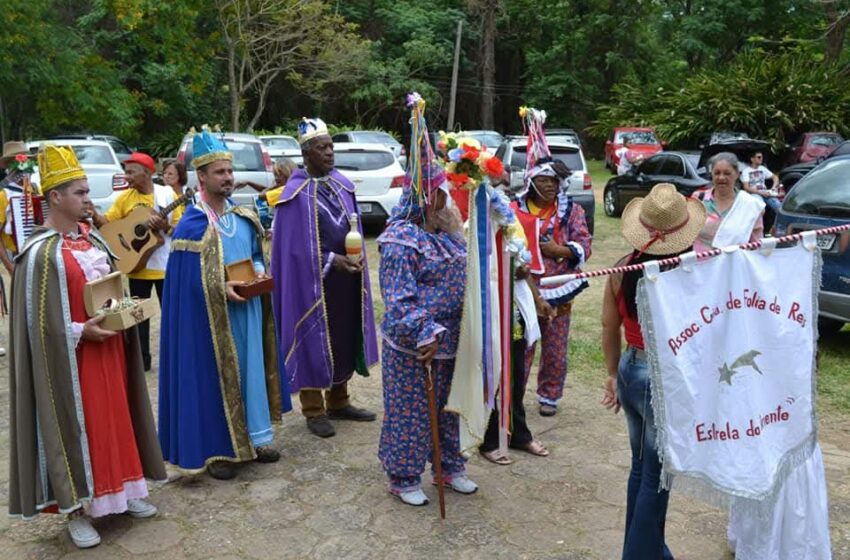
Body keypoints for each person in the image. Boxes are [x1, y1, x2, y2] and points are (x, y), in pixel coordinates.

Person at [8, 144, 166, 548]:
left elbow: (110, 286)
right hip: (71, 362)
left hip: (109, 350)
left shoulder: (92, 239)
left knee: (116, 418)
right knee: (80, 427)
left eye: (86, 191)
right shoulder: (40, 253)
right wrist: (79, 331)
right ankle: (77, 509)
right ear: (56, 198)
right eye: (79, 192)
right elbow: (34, 323)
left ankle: (123, 493)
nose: (87, 199)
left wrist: (124, 310)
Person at [158, 130, 290, 480]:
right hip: (211, 319)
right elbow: (185, 285)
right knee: (215, 379)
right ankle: (219, 450)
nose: (228, 178)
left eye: (229, 172)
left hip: (247, 310)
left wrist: (259, 274)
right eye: (219, 172)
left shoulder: (242, 216)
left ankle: (255, 438)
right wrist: (220, 286)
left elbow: (252, 255)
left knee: (252, 374)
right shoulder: (192, 223)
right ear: (201, 177)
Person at [601, 183, 707, 560]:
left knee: (641, 467)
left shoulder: (621, 268)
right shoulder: (689, 274)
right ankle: (640, 554)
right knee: (656, 477)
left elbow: (607, 326)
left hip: (631, 369)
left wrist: (613, 375)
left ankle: (647, 548)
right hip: (661, 379)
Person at [377, 106, 477, 506]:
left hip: (452, 340)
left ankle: (448, 466)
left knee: (449, 408)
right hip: (417, 344)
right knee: (411, 411)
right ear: (425, 196)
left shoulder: (449, 232)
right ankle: (403, 475)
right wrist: (425, 330)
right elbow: (399, 297)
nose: (448, 199)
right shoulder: (401, 240)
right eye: (441, 192)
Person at [271, 118, 379, 438]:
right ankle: (314, 408)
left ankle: (339, 399)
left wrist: (353, 261)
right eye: (322, 148)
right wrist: (332, 260)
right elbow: (292, 252)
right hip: (312, 284)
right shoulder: (293, 195)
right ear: (307, 154)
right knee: (311, 337)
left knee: (343, 335)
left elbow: (353, 228)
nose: (330, 153)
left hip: (345, 282)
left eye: (331, 146)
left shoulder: (342, 186)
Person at [513, 155, 592, 417]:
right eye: (544, 180)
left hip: (559, 288)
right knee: (522, 346)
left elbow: (585, 245)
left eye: (554, 181)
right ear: (531, 181)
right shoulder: (514, 210)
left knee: (555, 348)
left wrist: (559, 249)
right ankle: (514, 396)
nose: (550, 185)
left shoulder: (572, 211)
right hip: (523, 289)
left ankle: (549, 395)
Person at [92, 152, 185, 371]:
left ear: (147, 173)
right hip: (136, 267)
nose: (127, 176)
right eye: (126, 172)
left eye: (131, 172)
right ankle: (142, 362)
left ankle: (176, 360)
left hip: (164, 266)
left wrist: (165, 228)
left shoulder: (167, 195)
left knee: (172, 317)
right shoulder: (125, 197)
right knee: (138, 318)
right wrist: (94, 216)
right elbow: (109, 225)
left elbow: (181, 230)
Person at [692, 152, 764, 253]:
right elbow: (684, 234)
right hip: (701, 266)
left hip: (735, 266)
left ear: (737, 175)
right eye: (717, 173)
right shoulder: (698, 200)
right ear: (711, 174)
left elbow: (758, 247)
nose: (721, 177)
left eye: (727, 173)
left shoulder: (750, 205)